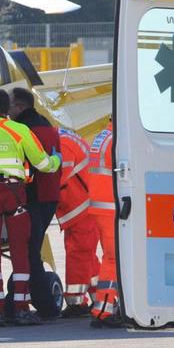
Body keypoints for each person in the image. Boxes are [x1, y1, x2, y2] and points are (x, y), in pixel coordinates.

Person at [0, 89, 61, 327]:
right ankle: (21, 308)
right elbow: (43, 164)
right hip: (16, 197)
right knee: (20, 253)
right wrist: (56, 158)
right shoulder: (20, 130)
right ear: (7, 109)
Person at [9, 87, 62, 315]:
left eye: (10, 106)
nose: (7, 111)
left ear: (20, 107)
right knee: (30, 251)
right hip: (49, 197)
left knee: (30, 254)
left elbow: (30, 165)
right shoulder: (47, 126)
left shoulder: (24, 130)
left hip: (33, 198)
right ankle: (16, 298)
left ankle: (45, 306)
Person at [57, 127, 101, 317]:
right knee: (87, 255)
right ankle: (101, 295)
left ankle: (76, 302)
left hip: (80, 208)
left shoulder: (62, 144)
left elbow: (57, 179)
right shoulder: (66, 138)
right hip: (85, 206)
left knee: (79, 254)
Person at [87, 119, 122, 328]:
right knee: (113, 259)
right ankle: (103, 311)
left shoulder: (103, 136)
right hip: (110, 208)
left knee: (110, 257)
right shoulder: (116, 140)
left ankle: (105, 307)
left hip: (101, 208)